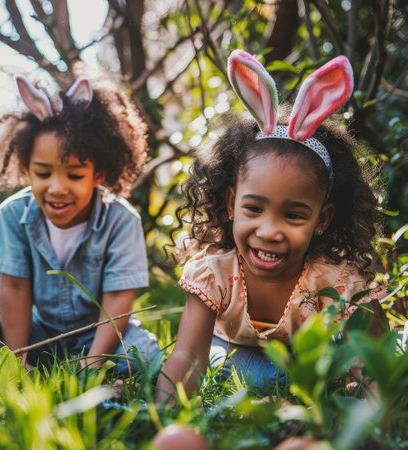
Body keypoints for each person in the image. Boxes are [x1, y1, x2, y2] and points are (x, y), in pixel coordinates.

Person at [155, 50, 387, 403]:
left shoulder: (338, 282)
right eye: (254, 208)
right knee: (235, 372)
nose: (269, 230)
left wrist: (375, 410)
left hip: (305, 370)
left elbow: (375, 363)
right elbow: (189, 356)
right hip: (227, 358)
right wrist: (163, 416)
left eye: (293, 215)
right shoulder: (214, 273)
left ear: (321, 219)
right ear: (232, 203)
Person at [0, 74, 160, 371]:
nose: (57, 188)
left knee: (144, 355)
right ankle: (35, 364)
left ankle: (83, 364)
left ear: (98, 175)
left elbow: (117, 295)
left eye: (74, 175)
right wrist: (17, 358)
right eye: (43, 173)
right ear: (27, 170)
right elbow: (15, 288)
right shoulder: (13, 214)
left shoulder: (121, 220)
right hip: (38, 331)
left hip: (97, 334)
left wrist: (96, 361)